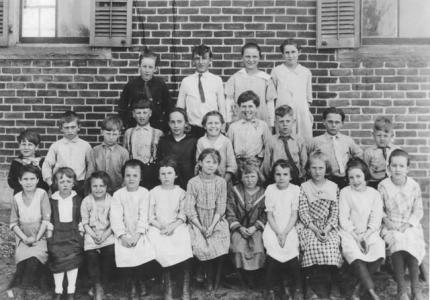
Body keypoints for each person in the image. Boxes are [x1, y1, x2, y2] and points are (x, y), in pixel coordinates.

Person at [378, 149, 426, 300]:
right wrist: (387, 221)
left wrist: (408, 225)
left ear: (407, 168)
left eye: (401, 166)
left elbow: (418, 210)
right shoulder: (383, 185)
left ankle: (415, 288)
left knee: (411, 242)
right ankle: (402, 289)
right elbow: (378, 209)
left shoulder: (413, 186)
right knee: (397, 241)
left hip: (409, 224)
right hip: (390, 224)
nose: (397, 169)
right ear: (389, 167)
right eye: (394, 166)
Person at [297, 150, 342, 300]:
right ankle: (310, 286)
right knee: (310, 244)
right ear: (309, 169)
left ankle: (333, 284)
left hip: (328, 225)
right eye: (314, 168)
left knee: (332, 243)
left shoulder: (333, 187)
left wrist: (327, 229)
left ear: (326, 169)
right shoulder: (304, 187)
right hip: (309, 225)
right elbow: (303, 212)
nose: (317, 172)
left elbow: (335, 212)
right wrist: (315, 230)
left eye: (321, 168)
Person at [110, 159, 158, 300]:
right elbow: (116, 218)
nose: (131, 179)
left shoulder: (144, 193)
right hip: (124, 232)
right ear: (123, 177)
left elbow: (144, 216)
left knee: (141, 250)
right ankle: (131, 284)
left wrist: (137, 234)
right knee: (125, 251)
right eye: (128, 175)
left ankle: (140, 281)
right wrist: (122, 235)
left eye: (135, 176)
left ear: (141, 177)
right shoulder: (118, 194)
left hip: (140, 231)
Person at [339, 158, 385, 300]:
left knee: (378, 248)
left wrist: (366, 234)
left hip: (369, 232)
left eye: (358, 176)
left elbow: (376, 217)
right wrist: (355, 236)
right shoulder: (345, 192)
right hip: (349, 233)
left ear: (365, 175)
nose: (355, 180)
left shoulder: (374, 194)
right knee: (354, 252)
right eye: (351, 177)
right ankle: (372, 293)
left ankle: (357, 288)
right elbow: (343, 218)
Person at [148, 159, 193, 300]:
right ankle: (168, 287)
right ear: (158, 176)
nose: (166, 177)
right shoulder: (154, 192)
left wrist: (173, 226)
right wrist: (161, 226)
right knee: (160, 243)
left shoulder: (181, 192)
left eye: (169, 173)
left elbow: (182, 215)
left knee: (184, 240)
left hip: (177, 226)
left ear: (176, 175)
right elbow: (150, 216)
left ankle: (185, 287)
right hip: (158, 227)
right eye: (163, 174)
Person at [185, 149, 230, 291]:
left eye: (215, 162)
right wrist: (200, 226)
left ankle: (210, 277)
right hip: (197, 222)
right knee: (199, 244)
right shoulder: (193, 182)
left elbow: (221, 207)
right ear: (200, 163)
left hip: (215, 221)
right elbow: (189, 209)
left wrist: (211, 226)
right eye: (208, 162)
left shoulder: (221, 182)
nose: (211, 165)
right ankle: (204, 274)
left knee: (217, 242)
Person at [8, 165, 52, 299]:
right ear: (20, 181)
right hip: (23, 237)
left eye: (32, 178)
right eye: (25, 179)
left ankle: (23, 288)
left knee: (34, 258)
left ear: (38, 180)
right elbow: (13, 223)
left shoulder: (42, 194)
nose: (29, 182)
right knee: (22, 261)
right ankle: (25, 281)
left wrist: (37, 238)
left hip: (40, 235)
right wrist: (24, 238)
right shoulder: (17, 197)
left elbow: (46, 220)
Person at [263, 159, 304, 300]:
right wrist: (278, 232)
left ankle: (297, 288)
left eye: (285, 174)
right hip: (274, 225)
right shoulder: (270, 189)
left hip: (290, 225)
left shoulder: (295, 190)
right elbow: (269, 214)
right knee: (272, 245)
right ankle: (270, 289)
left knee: (291, 246)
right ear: (274, 176)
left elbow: (294, 214)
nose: (281, 177)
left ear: (291, 176)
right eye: (278, 174)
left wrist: (285, 233)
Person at [226, 162, 266, 286]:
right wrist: (239, 227)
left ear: (258, 176)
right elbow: (230, 211)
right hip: (240, 227)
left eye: (252, 176)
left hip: (256, 228)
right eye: (246, 176)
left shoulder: (264, 193)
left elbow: (266, 214)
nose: (249, 180)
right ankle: (243, 275)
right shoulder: (235, 191)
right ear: (241, 177)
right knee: (238, 246)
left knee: (258, 247)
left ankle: (255, 276)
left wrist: (256, 227)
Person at [47, 167, 84, 300]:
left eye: (68, 181)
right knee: (57, 258)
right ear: (56, 183)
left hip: (73, 234)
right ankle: (58, 290)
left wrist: (81, 234)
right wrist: (50, 237)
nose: (65, 184)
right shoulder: (52, 200)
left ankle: (71, 290)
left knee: (72, 260)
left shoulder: (78, 200)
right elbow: (49, 219)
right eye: (61, 181)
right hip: (57, 235)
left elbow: (81, 218)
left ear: (74, 183)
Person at [118, 47, 173, 132]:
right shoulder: (131, 85)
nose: (147, 70)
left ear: (155, 69)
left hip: (156, 127)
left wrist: (165, 126)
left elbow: (169, 107)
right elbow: (122, 107)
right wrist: (126, 124)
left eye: (150, 67)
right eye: (144, 66)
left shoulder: (161, 85)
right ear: (139, 66)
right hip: (135, 126)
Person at [177, 44, 226, 138]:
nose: (201, 62)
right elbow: (180, 107)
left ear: (210, 60)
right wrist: (183, 124)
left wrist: (223, 126)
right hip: (192, 128)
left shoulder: (216, 80)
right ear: (193, 61)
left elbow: (222, 105)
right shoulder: (186, 81)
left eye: (204, 58)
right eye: (197, 58)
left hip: (212, 128)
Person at [307, 107, 363, 189]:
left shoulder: (347, 140)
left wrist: (352, 168)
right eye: (330, 122)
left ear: (342, 123)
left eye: (337, 122)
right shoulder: (316, 141)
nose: (333, 125)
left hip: (344, 179)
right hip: (325, 179)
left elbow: (359, 154)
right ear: (324, 122)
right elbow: (307, 156)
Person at [81, 171, 115, 300]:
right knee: (91, 255)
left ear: (107, 187)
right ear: (90, 187)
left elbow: (113, 223)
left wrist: (104, 236)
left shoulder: (111, 201)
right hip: (91, 234)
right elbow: (85, 223)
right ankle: (97, 286)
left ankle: (102, 285)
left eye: (102, 186)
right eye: (95, 186)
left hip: (108, 233)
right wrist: (93, 235)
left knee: (110, 253)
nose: (98, 189)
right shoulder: (86, 201)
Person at [270, 39, 313, 141]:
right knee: (285, 139)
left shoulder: (305, 72)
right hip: (283, 113)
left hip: (301, 112)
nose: (290, 55)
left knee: (303, 140)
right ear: (283, 55)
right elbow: (273, 95)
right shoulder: (277, 71)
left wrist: (306, 112)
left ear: (299, 52)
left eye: (293, 52)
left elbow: (308, 96)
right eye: (287, 53)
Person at [225, 42, 275, 128]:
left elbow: (270, 104)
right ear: (242, 58)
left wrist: (271, 124)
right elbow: (229, 102)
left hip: (260, 122)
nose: (251, 60)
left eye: (254, 57)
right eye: (247, 56)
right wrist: (229, 121)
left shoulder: (266, 79)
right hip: (239, 123)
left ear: (260, 58)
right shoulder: (235, 78)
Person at [42, 110, 92, 197]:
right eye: (66, 127)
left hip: (79, 184)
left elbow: (90, 165)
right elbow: (47, 164)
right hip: (60, 183)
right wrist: (50, 182)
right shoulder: (56, 146)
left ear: (78, 127)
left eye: (73, 127)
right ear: (61, 128)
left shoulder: (85, 145)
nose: (70, 130)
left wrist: (86, 183)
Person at [262, 105, 307, 186]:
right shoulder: (271, 141)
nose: (285, 124)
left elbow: (304, 162)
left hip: (295, 179)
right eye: (281, 121)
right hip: (277, 179)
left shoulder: (299, 140)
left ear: (293, 122)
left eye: (288, 121)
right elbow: (267, 164)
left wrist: (301, 177)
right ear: (276, 123)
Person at [124, 99, 163, 190]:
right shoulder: (128, 133)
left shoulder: (158, 133)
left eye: (145, 112)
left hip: (151, 172)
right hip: (133, 173)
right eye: (138, 113)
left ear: (150, 113)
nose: (141, 116)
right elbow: (125, 153)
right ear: (133, 114)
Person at [227, 90, 271, 170]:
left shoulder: (262, 125)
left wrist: (260, 161)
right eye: (244, 106)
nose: (247, 110)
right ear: (239, 107)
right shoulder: (233, 127)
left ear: (256, 108)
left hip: (256, 163)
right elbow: (229, 148)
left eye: (250, 106)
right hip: (237, 163)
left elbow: (268, 146)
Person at [86, 116, 129, 193]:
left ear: (119, 134)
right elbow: (90, 173)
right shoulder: (95, 151)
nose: (111, 137)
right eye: (108, 133)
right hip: (98, 191)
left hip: (118, 191)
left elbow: (126, 175)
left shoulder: (123, 152)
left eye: (114, 134)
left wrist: (121, 192)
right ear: (102, 132)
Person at [157, 108, 197, 190]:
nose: (176, 125)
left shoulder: (193, 141)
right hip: (168, 185)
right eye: (172, 122)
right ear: (168, 123)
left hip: (188, 184)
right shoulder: (163, 141)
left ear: (186, 123)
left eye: (179, 122)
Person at [196, 111, 237, 184]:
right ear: (204, 126)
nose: (213, 126)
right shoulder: (201, 141)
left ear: (222, 125)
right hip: (205, 181)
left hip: (223, 181)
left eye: (216, 123)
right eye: (210, 123)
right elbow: (199, 163)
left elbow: (232, 166)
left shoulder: (226, 141)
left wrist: (223, 181)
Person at [8, 129, 49, 194]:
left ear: (36, 147)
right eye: (23, 144)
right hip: (21, 194)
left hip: (39, 195)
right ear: (19, 145)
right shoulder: (16, 162)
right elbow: (11, 181)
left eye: (30, 144)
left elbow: (46, 183)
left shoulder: (42, 162)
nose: (26, 147)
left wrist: (38, 168)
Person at [363, 116, 399, 189]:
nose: (382, 138)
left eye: (385, 136)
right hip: (374, 183)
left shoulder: (396, 150)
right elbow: (365, 171)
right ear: (373, 135)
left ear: (391, 135)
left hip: (391, 182)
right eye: (379, 135)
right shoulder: (369, 152)